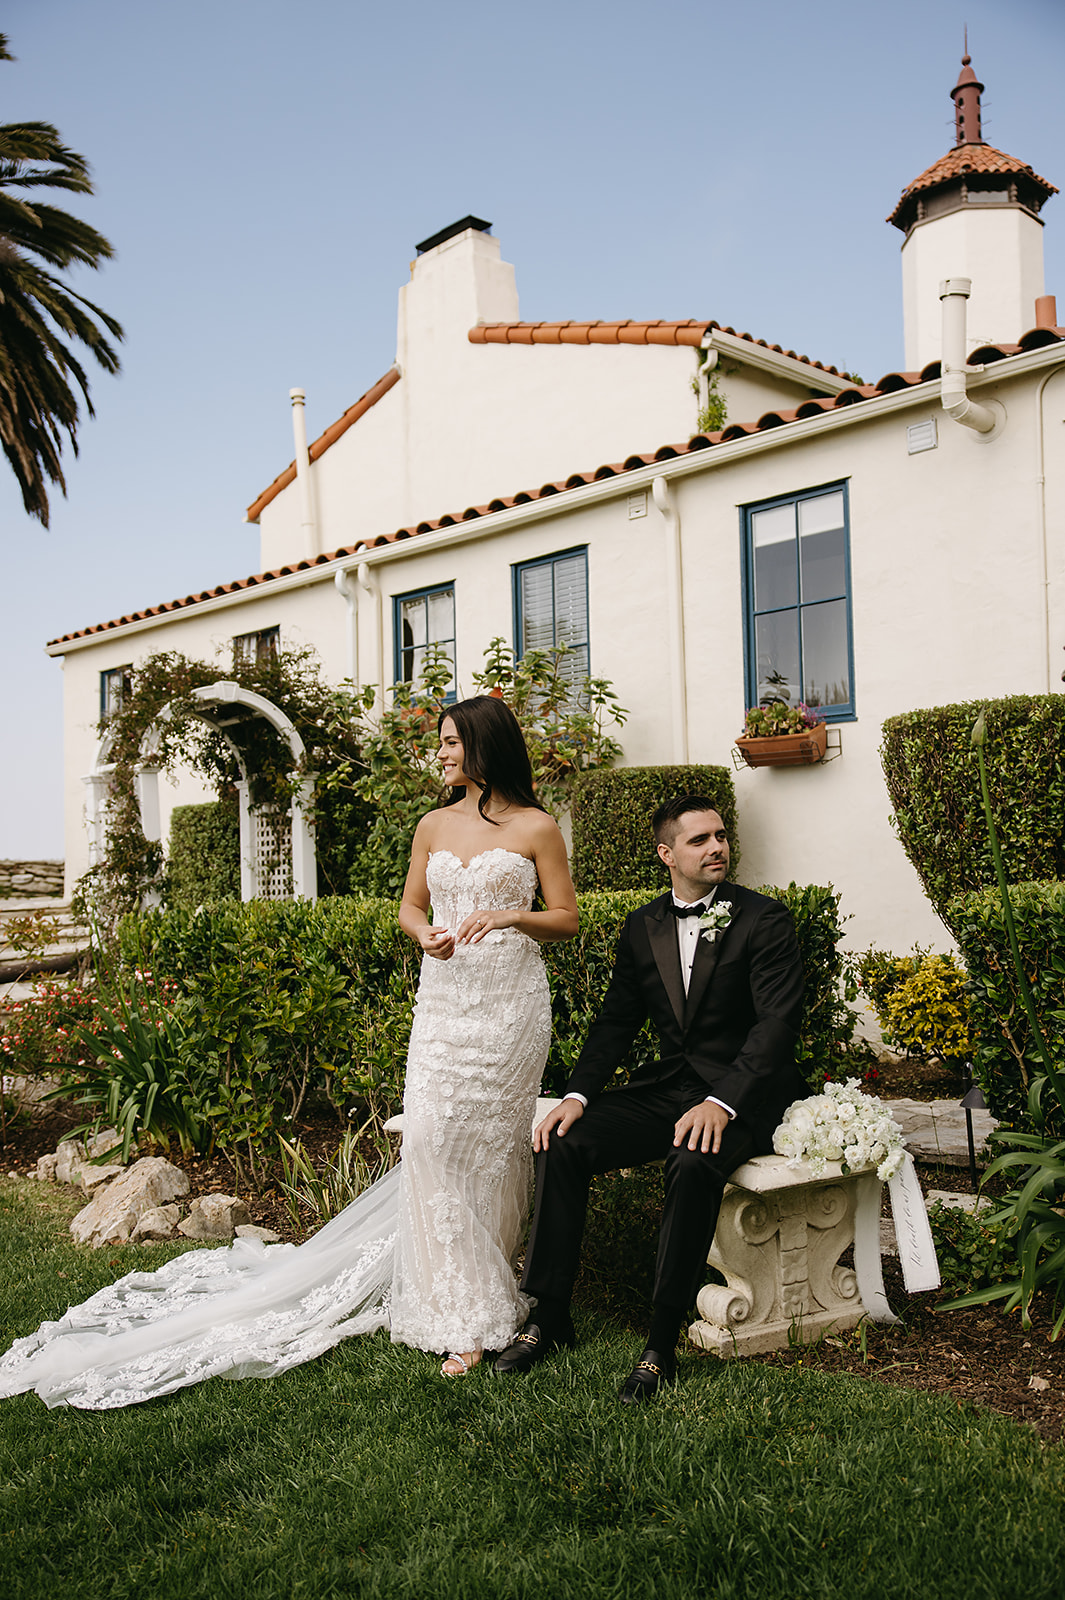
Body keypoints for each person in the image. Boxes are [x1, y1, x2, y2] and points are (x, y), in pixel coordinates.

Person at [0, 696, 577, 1408]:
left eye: (452, 743)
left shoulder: (535, 826)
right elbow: (408, 906)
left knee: (490, 1150)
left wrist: (512, 915)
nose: (442, 754)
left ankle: (481, 1306)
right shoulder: (432, 822)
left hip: (509, 1012)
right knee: (429, 1140)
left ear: (485, 747)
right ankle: (447, 1297)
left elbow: (566, 918)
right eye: (442, 743)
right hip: (446, 1005)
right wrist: (421, 933)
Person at [493, 795, 805, 1403]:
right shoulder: (644, 926)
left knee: (691, 1160)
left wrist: (723, 1103)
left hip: (747, 1097)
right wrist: (578, 1094)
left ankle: (661, 1340)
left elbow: (776, 1027)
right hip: (671, 1090)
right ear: (667, 854)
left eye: (720, 836)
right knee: (564, 1140)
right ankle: (550, 1313)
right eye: (699, 840)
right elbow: (615, 1022)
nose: (716, 847)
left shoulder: (765, 920)